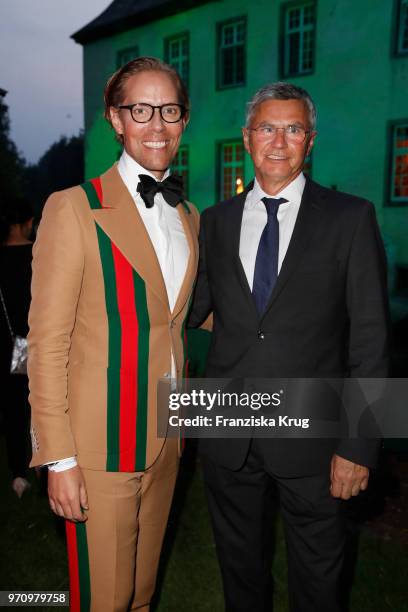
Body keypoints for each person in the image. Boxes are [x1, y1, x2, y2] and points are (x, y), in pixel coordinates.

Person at [188, 82, 390, 611]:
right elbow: (190, 311)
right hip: (227, 427)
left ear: (311, 140)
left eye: (293, 129)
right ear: (247, 138)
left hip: (317, 438)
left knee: (320, 581)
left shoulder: (351, 218)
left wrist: (359, 444)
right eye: (267, 128)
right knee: (240, 572)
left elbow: (371, 340)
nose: (279, 141)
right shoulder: (214, 221)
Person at [28, 57, 199, 611]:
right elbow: (46, 343)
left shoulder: (189, 215)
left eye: (169, 110)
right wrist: (58, 459)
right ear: (115, 119)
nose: (156, 123)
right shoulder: (74, 208)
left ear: (184, 119)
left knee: (141, 597)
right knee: (103, 600)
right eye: (140, 110)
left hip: (169, 438)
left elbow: (183, 315)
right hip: (99, 449)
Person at [0, 198, 34, 498]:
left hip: (7, 341)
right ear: (28, 223)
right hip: (29, 342)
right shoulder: (36, 255)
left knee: (13, 410)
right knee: (37, 403)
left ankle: (17, 474)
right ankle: (42, 461)